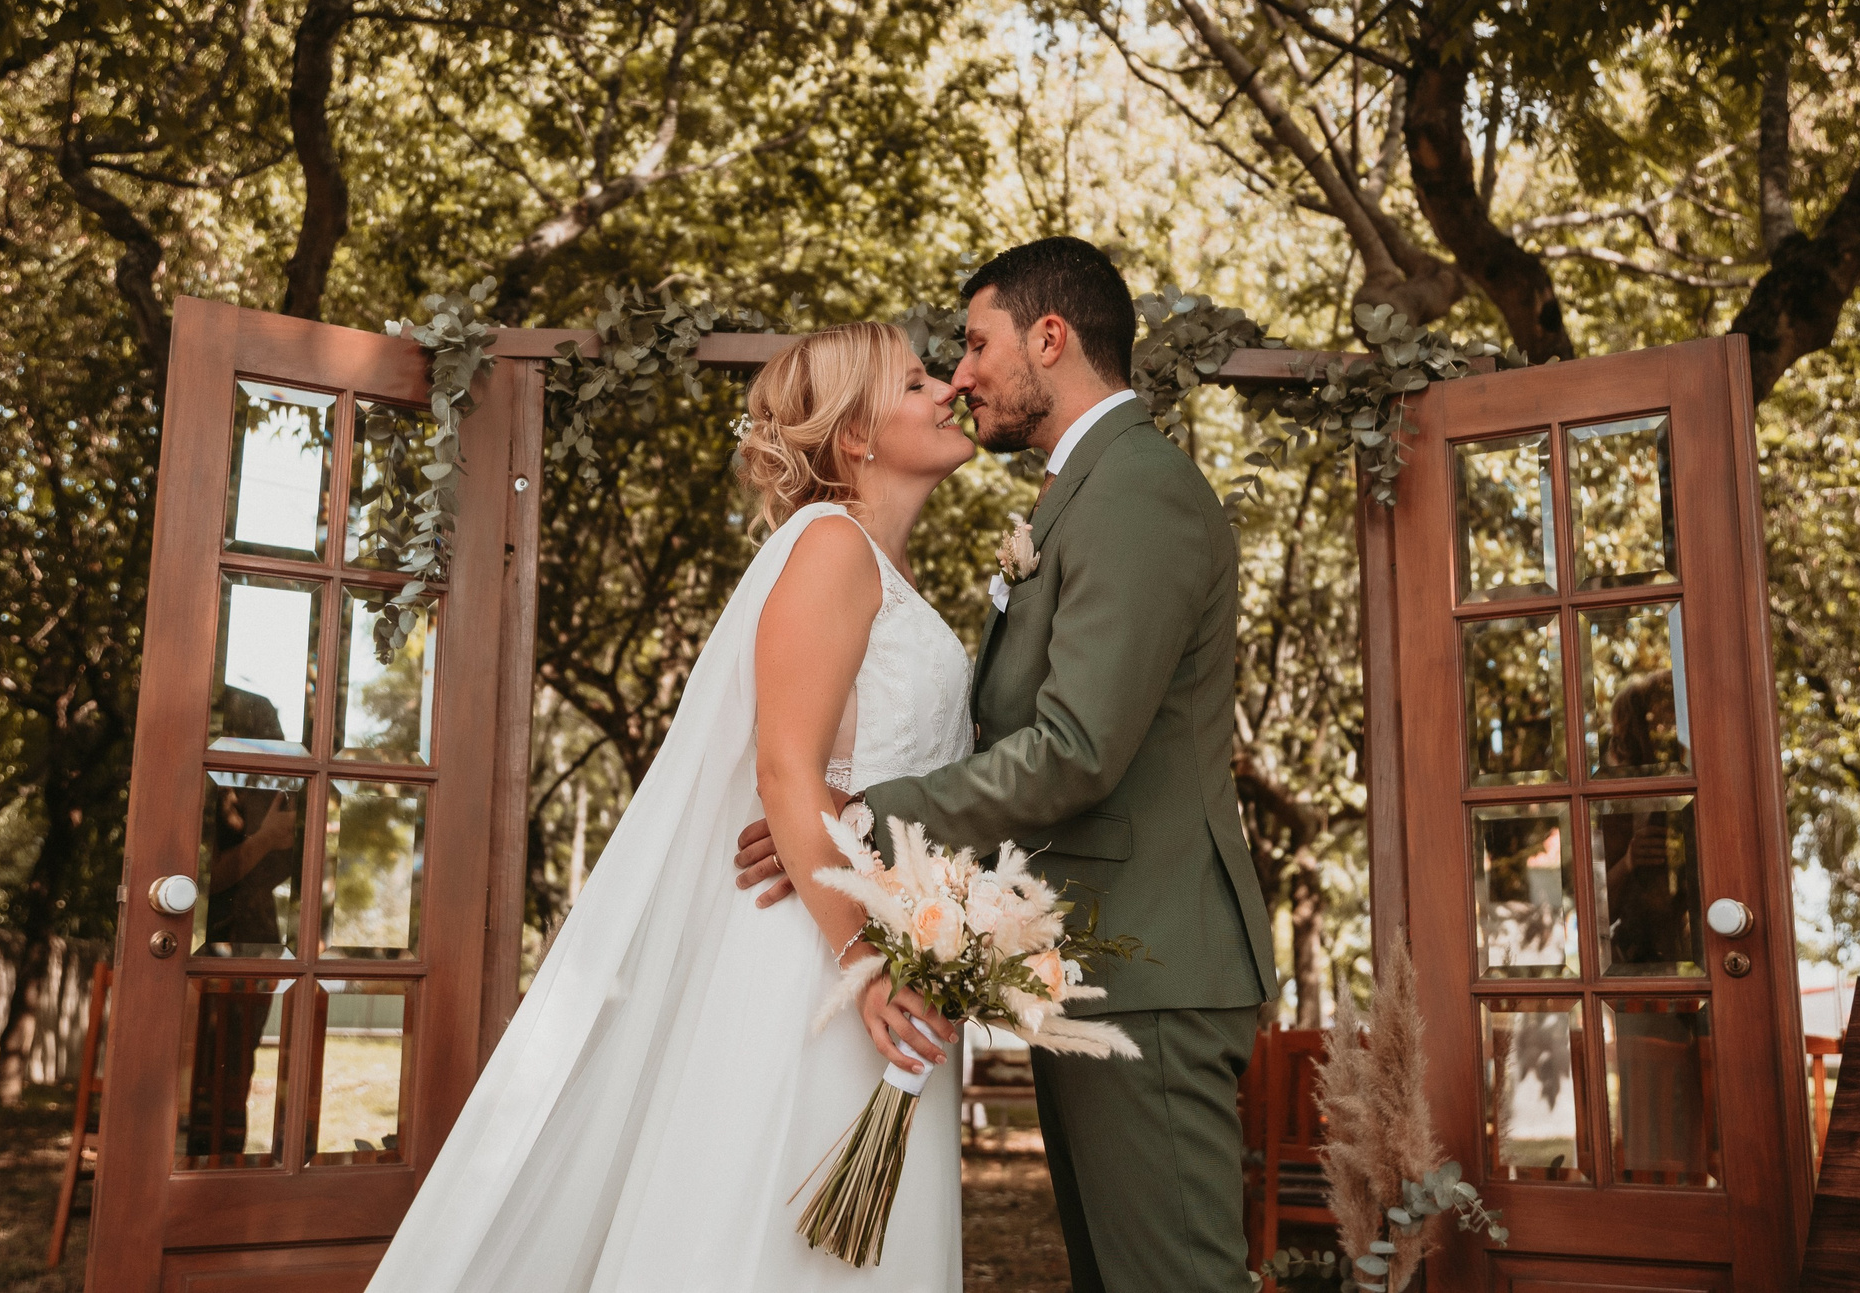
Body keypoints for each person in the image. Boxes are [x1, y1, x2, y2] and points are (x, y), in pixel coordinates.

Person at [366, 320, 978, 1292]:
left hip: (895, 943)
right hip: (819, 957)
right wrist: (862, 961)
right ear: (856, 434)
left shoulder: (888, 572)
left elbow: (866, 773)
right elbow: (784, 769)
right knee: (771, 1231)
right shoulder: (829, 545)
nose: (949, 388)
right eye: (916, 380)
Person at [741, 236, 1276, 1293]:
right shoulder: (1080, 492)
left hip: (1151, 970)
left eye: (977, 343)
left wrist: (866, 814)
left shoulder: (1133, 489)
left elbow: (1076, 748)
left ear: (1049, 336)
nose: (962, 375)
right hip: (1096, 966)